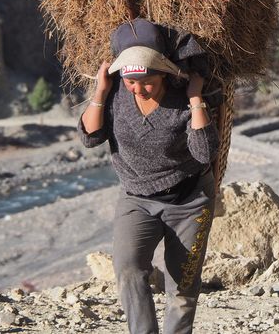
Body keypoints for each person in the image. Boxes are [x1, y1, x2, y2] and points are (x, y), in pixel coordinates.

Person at [79, 18, 220, 334]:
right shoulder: (115, 93)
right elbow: (89, 137)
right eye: (131, 82)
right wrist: (101, 91)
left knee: (182, 285)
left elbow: (203, 152)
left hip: (191, 201)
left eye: (147, 82)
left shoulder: (186, 97)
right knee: (129, 269)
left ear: (165, 74)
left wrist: (196, 99)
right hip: (136, 200)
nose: (138, 89)